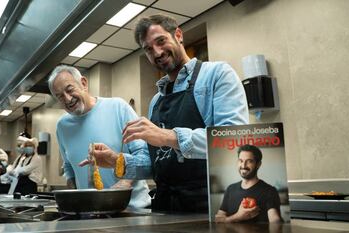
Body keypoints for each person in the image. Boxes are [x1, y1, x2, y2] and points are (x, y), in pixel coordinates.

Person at [88, 14, 249, 213]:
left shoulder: (217, 75)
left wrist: (168, 136)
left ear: (178, 35)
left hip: (211, 207)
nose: (157, 52)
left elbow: (234, 140)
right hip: (166, 209)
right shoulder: (157, 101)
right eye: (148, 49)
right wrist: (116, 160)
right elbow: (156, 164)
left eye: (161, 41)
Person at [47, 65, 151, 208]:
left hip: (132, 209)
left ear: (83, 83)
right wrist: (72, 196)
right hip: (90, 213)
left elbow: (143, 154)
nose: (67, 99)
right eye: (60, 96)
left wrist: (124, 183)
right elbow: (69, 167)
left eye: (69, 90)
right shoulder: (62, 126)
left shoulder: (118, 107)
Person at [215, 144, 282, 223]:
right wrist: (238, 216)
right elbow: (218, 219)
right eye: (241, 161)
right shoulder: (230, 189)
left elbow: (275, 220)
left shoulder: (269, 191)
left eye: (249, 161)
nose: (243, 165)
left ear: (258, 164)